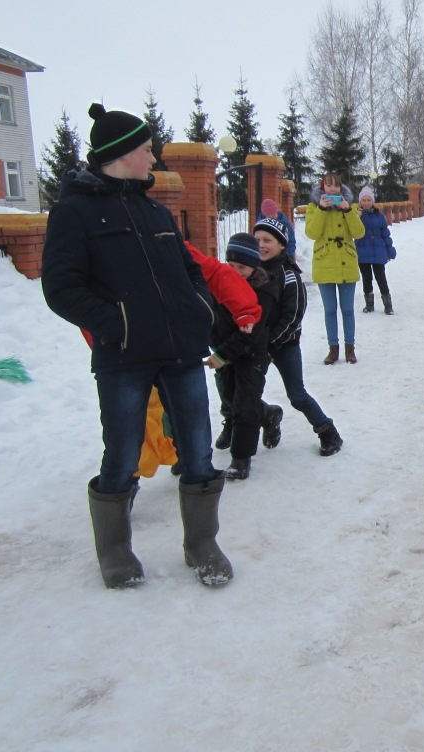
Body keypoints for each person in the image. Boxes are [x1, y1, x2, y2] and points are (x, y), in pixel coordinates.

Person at [41, 102, 232, 588]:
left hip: (180, 353)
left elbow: (189, 267)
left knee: (197, 449)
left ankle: (201, 543)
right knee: (123, 454)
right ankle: (116, 553)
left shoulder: (153, 209)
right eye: (147, 150)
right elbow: (62, 288)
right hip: (123, 358)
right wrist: (117, 325)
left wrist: (198, 310)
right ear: (122, 154)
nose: (153, 159)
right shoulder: (74, 212)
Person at [253, 217, 344, 456]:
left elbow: (293, 317)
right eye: (257, 239)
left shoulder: (289, 275)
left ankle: (328, 432)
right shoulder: (250, 270)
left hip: (284, 345)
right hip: (255, 346)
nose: (261, 244)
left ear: (282, 245)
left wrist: (271, 344)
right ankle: (267, 416)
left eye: (267, 240)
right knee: (245, 393)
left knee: (297, 395)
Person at [205, 233, 279, 481]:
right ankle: (268, 414)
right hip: (225, 351)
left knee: (245, 404)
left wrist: (223, 354)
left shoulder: (262, 289)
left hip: (252, 353)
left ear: (254, 265)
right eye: (231, 266)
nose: (236, 272)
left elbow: (251, 332)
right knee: (229, 398)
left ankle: (241, 458)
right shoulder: (218, 284)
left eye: (243, 267)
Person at [305, 172, 366, 364]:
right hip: (324, 263)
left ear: (341, 188)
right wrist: (322, 210)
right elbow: (312, 233)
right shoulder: (313, 207)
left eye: (336, 186)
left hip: (346, 262)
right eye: (329, 186)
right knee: (330, 310)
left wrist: (348, 211)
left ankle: (350, 348)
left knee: (347, 310)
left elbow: (359, 233)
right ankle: (333, 349)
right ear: (323, 187)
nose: (333, 189)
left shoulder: (350, 206)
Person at [356, 186, 397, 315]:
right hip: (362, 252)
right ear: (360, 201)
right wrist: (357, 217)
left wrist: (389, 251)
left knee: (381, 278)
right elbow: (352, 230)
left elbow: (386, 234)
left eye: (369, 200)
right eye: (364, 200)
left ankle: (388, 305)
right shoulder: (356, 215)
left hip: (378, 252)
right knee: (366, 278)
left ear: (372, 201)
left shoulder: (379, 216)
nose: (366, 202)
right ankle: (369, 304)